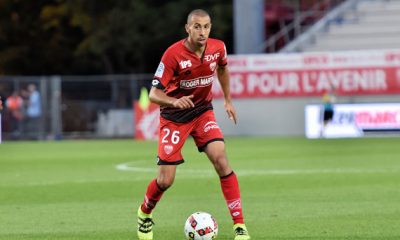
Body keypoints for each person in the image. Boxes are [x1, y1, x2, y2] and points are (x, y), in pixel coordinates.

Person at [136, 9, 250, 240]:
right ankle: (144, 213)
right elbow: (154, 94)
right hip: (173, 118)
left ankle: (240, 226)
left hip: (202, 112)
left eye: (206, 26)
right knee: (165, 180)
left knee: (220, 158)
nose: (202, 31)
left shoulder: (218, 48)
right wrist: (175, 101)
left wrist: (227, 100)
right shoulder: (173, 55)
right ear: (187, 28)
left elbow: (223, 69)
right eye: (197, 26)